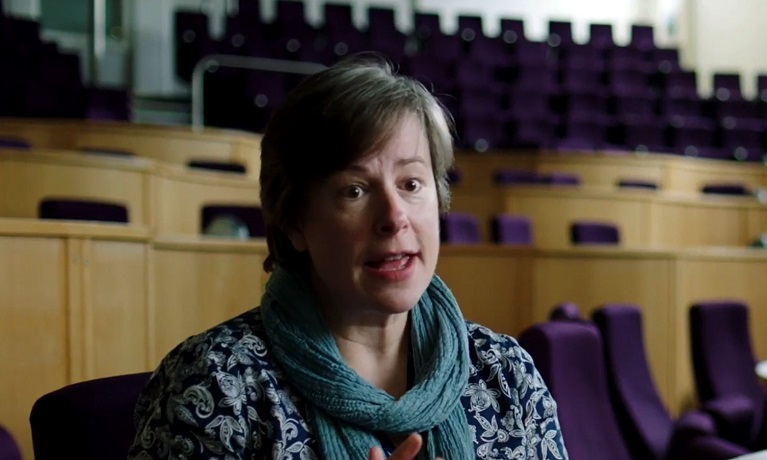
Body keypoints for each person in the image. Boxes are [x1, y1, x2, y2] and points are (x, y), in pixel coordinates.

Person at [128, 55, 568, 460]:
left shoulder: (506, 373)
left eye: (412, 184)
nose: (394, 217)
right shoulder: (216, 385)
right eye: (354, 191)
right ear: (295, 222)